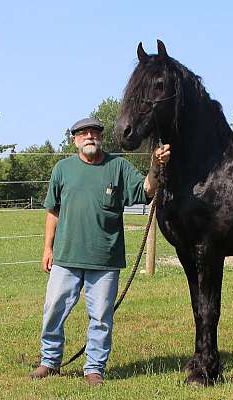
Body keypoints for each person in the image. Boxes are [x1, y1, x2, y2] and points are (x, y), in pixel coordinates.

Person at [29, 117, 170, 384]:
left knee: (101, 318)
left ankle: (94, 369)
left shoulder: (117, 166)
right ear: (74, 140)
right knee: (53, 310)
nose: (90, 137)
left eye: (94, 133)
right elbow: (52, 211)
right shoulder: (62, 169)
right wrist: (47, 248)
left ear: (101, 138)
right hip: (66, 257)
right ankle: (49, 361)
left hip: (105, 259)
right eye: (83, 134)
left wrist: (155, 166)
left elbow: (146, 191)